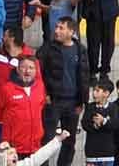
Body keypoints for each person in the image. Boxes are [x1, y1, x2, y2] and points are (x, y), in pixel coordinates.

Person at [37, 17, 88, 166]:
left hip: (73, 103)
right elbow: (38, 72)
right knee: (46, 140)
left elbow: (84, 76)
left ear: (71, 31)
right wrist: (44, 94)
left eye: (61, 28)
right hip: (53, 102)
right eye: (57, 27)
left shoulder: (81, 49)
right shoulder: (47, 48)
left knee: (69, 141)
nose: (56, 30)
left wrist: (82, 101)